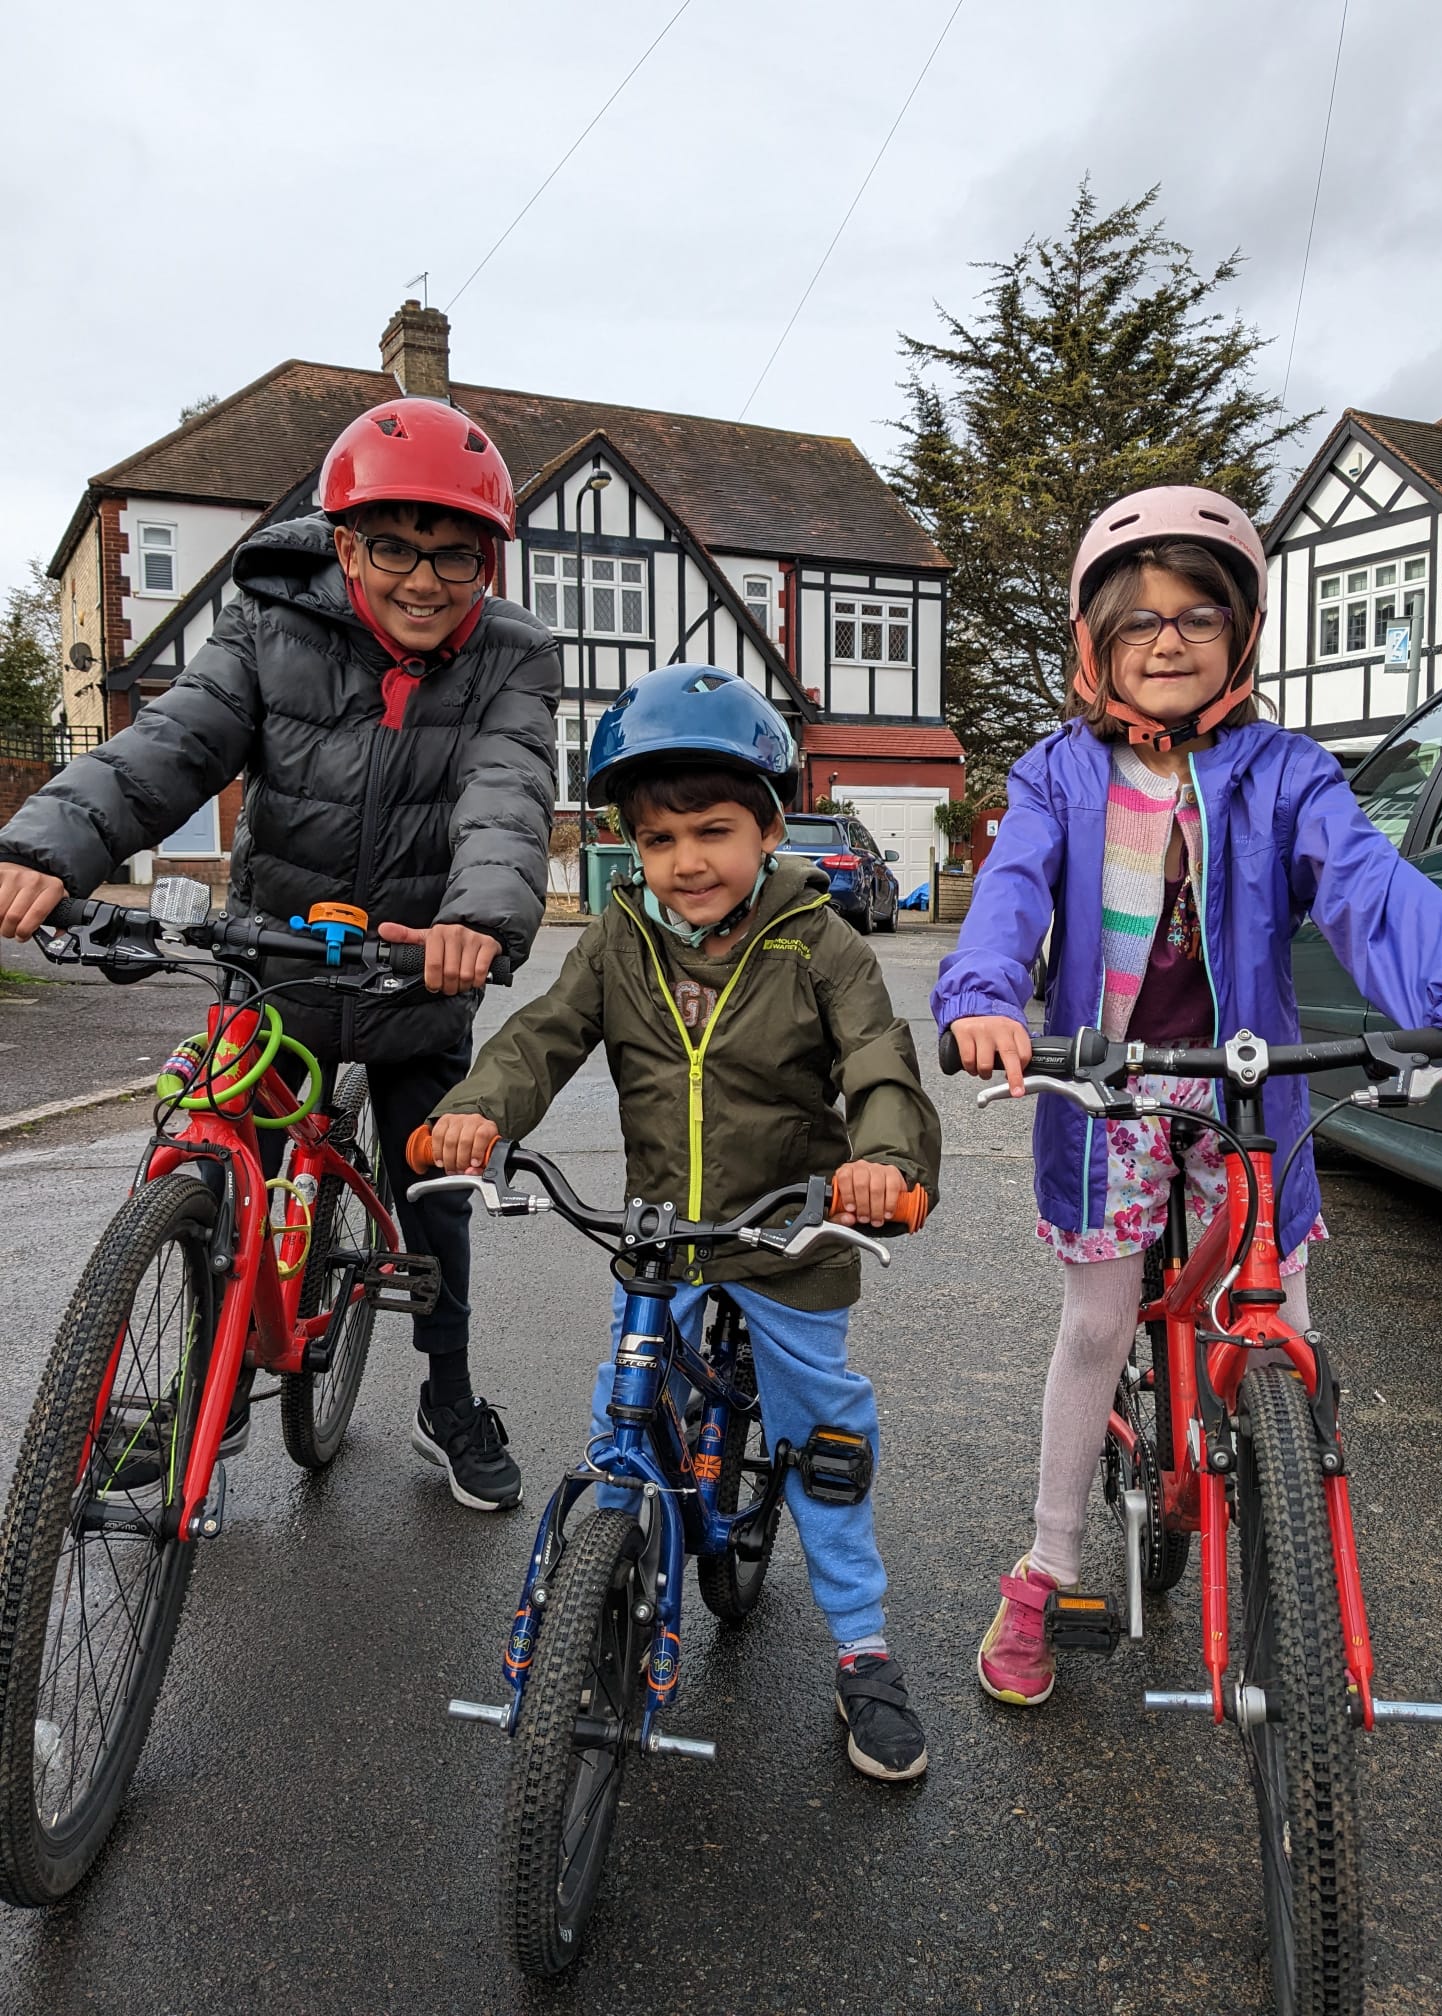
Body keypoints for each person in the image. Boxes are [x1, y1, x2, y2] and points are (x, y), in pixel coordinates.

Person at [931, 484, 1442, 1708]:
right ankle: (1049, 1563)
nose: (1169, 641)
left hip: (1253, 1080)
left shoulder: (1288, 772)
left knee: (1284, 1317)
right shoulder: (1057, 777)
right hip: (1108, 1081)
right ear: (1094, 643)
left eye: (1201, 615)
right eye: (1137, 620)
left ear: (1242, 635)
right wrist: (987, 996)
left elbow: (1365, 885)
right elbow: (1013, 894)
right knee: (1099, 1319)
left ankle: (1285, 1493)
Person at [0, 397, 561, 1512]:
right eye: (393, 546)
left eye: (456, 555)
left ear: (487, 563)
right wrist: (48, 849)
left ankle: (445, 1394)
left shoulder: (512, 658)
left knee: (433, 1183)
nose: (423, 579)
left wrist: (480, 924)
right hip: (274, 964)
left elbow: (508, 796)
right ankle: (193, 1390)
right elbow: (170, 747)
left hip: (416, 973)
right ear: (344, 543)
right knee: (211, 1166)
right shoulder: (266, 629)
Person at [427, 664, 942, 1781]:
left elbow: (876, 1060)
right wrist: (475, 1112)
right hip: (662, 1238)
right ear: (632, 849)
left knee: (821, 1444)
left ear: (770, 827)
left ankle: (864, 1648)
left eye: (715, 830)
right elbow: (544, 1037)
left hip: (788, 1236)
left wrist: (883, 1160)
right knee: (625, 1416)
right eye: (659, 841)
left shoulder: (820, 943)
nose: (687, 861)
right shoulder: (620, 941)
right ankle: (610, 1582)